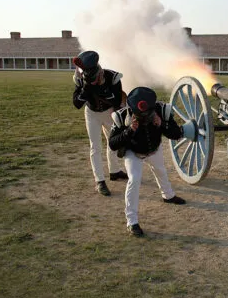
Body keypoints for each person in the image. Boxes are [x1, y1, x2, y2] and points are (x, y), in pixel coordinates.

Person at [108, 87, 186, 237]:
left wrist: (162, 124)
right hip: (133, 153)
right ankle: (132, 221)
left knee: (161, 170)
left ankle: (168, 196)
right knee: (134, 180)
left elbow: (176, 134)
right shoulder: (121, 115)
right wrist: (129, 131)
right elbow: (112, 144)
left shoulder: (162, 110)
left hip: (154, 150)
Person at [72, 50, 127, 196]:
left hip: (109, 112)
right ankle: (100, 181)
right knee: (95, 147)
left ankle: (114, 171)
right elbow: (77, 104)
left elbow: (116, 101)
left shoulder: (112, 77)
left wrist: (102, 87)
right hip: (91, 114)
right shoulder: (80, 78)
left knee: (113, 142)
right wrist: (86, 89)